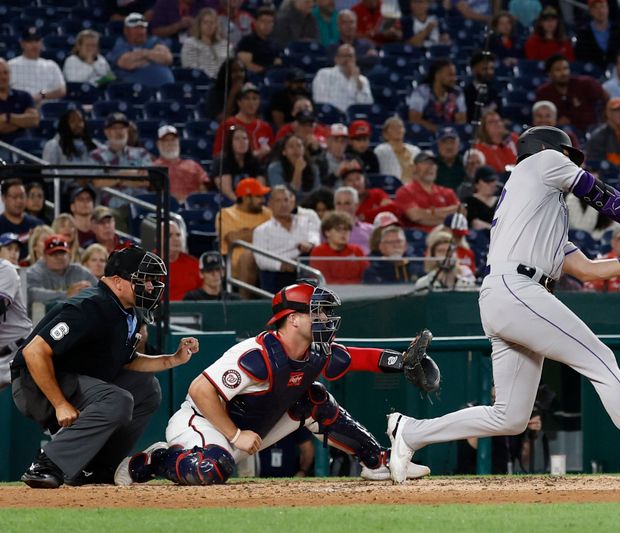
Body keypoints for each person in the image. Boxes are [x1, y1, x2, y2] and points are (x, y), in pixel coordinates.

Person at [386, 125, 620, 486]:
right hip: (518, 289)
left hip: (508, 295)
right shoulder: (541, 162)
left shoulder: (538, 209)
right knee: (600, 359)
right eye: (568, 155)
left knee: (510, 417)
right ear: (546, 149)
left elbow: (587, 270)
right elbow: (598, 193)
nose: (569, 163)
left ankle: (411, 432)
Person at [115, 282, 435, 486]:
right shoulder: (257, 354)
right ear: (293, 318)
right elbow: (200, 390)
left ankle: (376, 461)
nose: (324, 319)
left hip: (246, 436)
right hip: (202, 424)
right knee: (210, 470)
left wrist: (403, 361)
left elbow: (357, 358)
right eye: (317, 312)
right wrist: (235, 434)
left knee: (315, 398)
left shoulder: (315, 351)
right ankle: (153, 460)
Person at [13, 246, 196, 488]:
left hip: (76, 377)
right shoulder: (90, 306)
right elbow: (34, 352)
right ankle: (47, 464)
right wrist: (59, 403)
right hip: (34, 384)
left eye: (152, 281)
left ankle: (97, 468)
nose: (150, 287)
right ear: (118, 282)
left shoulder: (127, 311)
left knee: (147, 389)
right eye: (144, 280)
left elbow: (127, 360)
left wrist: (173, 359)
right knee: (118, 400)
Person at [253, 186, 320, 293]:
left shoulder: (306, 221)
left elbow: (316, 237)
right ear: (270, 204)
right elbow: (261, 260)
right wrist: (281, 266)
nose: (283, 204)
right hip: (279, 273)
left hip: (305, 266)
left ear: (293, 202)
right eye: (278, 200)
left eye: (286, 200)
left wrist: (310, 243)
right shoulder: (261, 231)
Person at [216, 178, 272, 298]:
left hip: (267, 260)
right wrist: (263, 231)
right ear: (246, 198)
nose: (263, 200)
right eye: (259, 197)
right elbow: (233, 239)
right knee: (248, 256)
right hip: (236, 266)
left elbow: (276, 233)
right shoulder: (226, 214)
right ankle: (244, 303)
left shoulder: (267, 213)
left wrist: (246, 233)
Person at [89, 112, 154, 209]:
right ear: (106, 132)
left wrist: (115, 179)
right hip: (111, 208)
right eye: (114, 128)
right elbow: (98, 182)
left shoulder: (141, 153)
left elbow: (148, 181)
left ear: (127, 130)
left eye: (122, 128)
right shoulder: (96, 155)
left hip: (140, 206)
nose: (119, 132)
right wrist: (128, 175)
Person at [535, 54, 605, 134]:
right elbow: (540, 118)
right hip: (557, 135)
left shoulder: (586, 83)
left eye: (565, 68)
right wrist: (557, 122)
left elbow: (606, 98)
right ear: (549, 74)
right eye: (558, 70)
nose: (564, 73)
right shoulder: (543, 92)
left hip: (590, 133)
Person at [394, 151, 460, 230]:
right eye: (425, 163)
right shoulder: (405, 191)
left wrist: (430, 212)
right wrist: (449, 219)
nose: (430, 167)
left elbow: (460, 212)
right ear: (414, 167)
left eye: (433, 164)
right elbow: (415, 216)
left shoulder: (447, 192)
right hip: (419, 238)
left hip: (446, 237)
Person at [26, 234, 96, 307]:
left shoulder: (80, 271)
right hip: (41, 317)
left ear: (69, 255)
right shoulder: (34, 272)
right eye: (54, 254)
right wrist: (66, 294)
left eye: (63, 253)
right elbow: (31, 294)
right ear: (44, 256)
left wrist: (87, 291)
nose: (59, 257)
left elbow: (98, 289)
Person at [108, 13, 175, 88]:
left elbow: (167, 58)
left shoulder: (155, 41)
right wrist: (152, 56)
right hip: (137, 92)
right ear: (126, 30)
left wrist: (143, 55)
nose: (140, 32)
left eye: (142, 28)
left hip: (165, 90)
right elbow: (127, 63)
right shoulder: (121, 45)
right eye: (136, 28)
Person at [0, 233, 32, 390]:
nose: (14, 253)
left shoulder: (5, 268)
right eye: (9, 248)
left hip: (19, 351)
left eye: (16, 249)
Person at [212, 83, 274, 161]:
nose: (251, 102)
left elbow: (274, 154)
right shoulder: (229, 125)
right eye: (247, 98)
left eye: (254, 98)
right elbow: (217, 154)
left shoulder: (265, 127)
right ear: (239, 102)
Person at [152, 125, 210, 203]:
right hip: (167, 208)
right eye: (166, 140)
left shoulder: (193, 165)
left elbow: (203, 188)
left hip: (192, 207)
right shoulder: (154, 167)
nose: (170, 143)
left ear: (178, 141)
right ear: (158, 144)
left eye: (173, 140)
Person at [9, 27, 67, 104]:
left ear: (41, 43)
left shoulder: (51, 65)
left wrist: (41, 95)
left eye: (36, 41)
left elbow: (62, 90)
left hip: (46, 108)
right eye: (29, 41)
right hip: (19, 108)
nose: (34, 45)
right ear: (22, 44)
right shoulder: (11, 65)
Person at [407, 59, 467, 133]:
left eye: (454, 75)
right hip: (426, 134)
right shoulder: (421, 92)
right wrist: (439, 131)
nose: (454, 78)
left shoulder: (457, 92)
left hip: (451, 136)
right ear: (437, 75)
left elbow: (462, 120)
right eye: (450, 75)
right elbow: (414, 119)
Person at [210, 125, 267, 202]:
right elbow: (228, 192)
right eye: (237, 139)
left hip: (250, 202)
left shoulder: (254, 161)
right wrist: (242, 206)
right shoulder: (221, 161)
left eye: (245, 138)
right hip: (227, 203)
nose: (242, 142)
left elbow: (259, 188)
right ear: (230, 142)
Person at [309, 211, 369, 284]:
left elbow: (367, 276)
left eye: (346, 229)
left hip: (359, 292)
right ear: (327, 232)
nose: (344, 233)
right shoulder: (318, 252)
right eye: (338, 229)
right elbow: (323, 281)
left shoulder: (357, 250)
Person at [312, 44, 373, 114]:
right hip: (331, 116)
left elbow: (367, 105)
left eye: (350, 56)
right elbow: (319, 99)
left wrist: (358, 81)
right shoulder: (324, 74)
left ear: (355, 59)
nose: (346, 59)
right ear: (336, 59)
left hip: (355, 118)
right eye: (343, 56)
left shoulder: (363, 80)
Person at [574, 0, 620, 69]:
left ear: (608, 9)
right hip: (592, 74)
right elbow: (581, 57)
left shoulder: (619, 30)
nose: (600, 11)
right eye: (596, 8)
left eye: (603, 7)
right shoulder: (583, 33)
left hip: (617, 71)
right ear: (590, 11)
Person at [585, 98, 620, 168]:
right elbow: (593, 164)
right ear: (608, 112)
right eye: (616, 110)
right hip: (606, 177)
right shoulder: (598, 136)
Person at [268, 135, 321, 202]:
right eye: (291, 146)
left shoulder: (314, 168)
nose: (296, 149)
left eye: (299, 145)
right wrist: (298, 171)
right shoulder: (275, 168)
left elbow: (317, 194)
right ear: (284, 152)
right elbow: (283, 197)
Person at [180, 7, 230, 79]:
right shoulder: (190, 43)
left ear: (216, 25)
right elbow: (189, 67)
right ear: (199, 25)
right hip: (200, 81)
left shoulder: (224, 45)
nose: (209, 26)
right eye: (205, 22)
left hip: (221, 82)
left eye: (212, 22)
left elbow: (229, 67)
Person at [0, 58, 40, 146]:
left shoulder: (24, 96)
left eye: (6, 73)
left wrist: (8, 117)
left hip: (26, 148)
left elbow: (34, 120)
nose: (3, 77)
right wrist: (22, 122)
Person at [0, 178, 43, 258]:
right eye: (15, 197)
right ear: (3, 198)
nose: (19, 201)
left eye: (22, 196)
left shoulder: (38, 225)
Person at [374, 116, 421, 183]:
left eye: (400, 126)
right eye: (393, 127)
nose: (398, 129)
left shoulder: (415, 150)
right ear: (385, 133)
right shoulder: (381, 150)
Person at [235, 7, 280, 75]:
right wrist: (266, 71)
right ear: (255, 22)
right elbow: (247, 65)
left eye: (270, 22)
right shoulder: (247, 42)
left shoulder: (274, 43)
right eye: (263, 21)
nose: (266, 25)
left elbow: (278, 63)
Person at [166, 221, 202, 301]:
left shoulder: (194, 263)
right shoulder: (148, 264)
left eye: (178, 235)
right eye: (169, 235)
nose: (176, 239)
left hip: (192, 311)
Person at [204, 58, 247, 122]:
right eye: (234, 71)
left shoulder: (249, 89)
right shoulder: (214, 92)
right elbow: (221, 120)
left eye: (242, 71)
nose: (239, 74)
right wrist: (232, 94)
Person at [463, 51, 502, 121]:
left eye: (491, 68)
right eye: (485, 69)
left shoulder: (495, 91)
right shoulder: (466, 92)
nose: (489, 72)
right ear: (474, 69)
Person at [333, 186, 372, 254]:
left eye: (347, 203)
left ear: (356, 205)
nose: (342, 207)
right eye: (338, 203)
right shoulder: (326, 231)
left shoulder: (370, 230)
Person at [150, 0, 217, 39]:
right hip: (170, 41)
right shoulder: (165, 3)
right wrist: (178, 25)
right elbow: (155, 31)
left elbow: (214, 28)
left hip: (197, 41)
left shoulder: (203, 4)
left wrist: (196, 25)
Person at [465, 166, 499, 231]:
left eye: (493, 181)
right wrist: (495, 229)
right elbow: (475, 223)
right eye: (487, 181)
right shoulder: (471, 201)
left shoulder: (501, 200)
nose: (491, 184)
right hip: (480, 237)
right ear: (476, 184)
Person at [434, 126, 466, 191]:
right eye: (444, 142)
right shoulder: (431, 164)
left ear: (459, 145)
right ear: (438, 145)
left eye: (452, 142)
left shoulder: (466, 163)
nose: (449, 146)